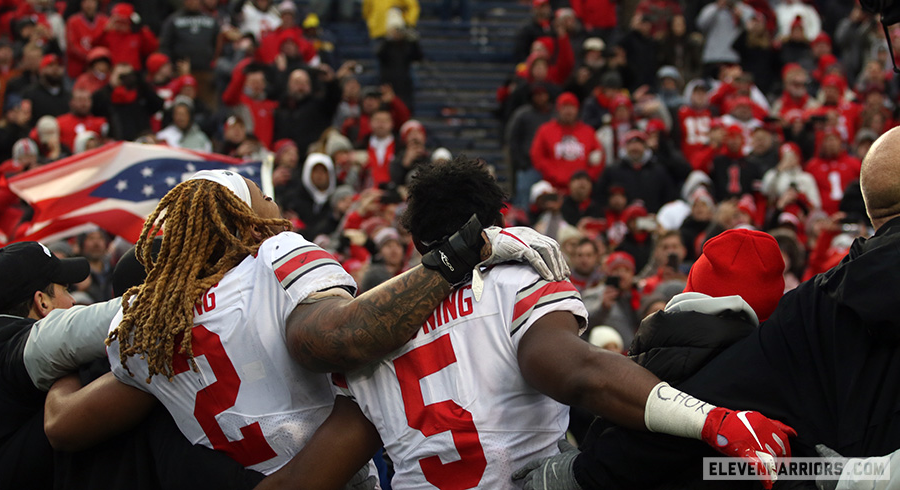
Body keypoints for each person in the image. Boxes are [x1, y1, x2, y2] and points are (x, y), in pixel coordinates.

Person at [255, 158, 796, 490]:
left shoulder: (379, 326)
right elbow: (574, 371)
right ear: (496, 222)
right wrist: (713, 420)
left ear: (418, 243)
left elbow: (309, 477)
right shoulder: (516, 277)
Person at [43, 169, 569, 475]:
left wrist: (45, 356)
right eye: (265, 196)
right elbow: (338, 340)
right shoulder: (274, 256)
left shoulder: (146, 326)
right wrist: (456, 258)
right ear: (243, 219)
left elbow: (63, 427)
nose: (279, 208)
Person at [534, 125, 900, 488]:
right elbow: (791, 469)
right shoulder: (795, 343)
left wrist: (580, 473)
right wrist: (847, 475)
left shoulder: (651, 362)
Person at [0, 241, 123, 489]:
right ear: (42, 302)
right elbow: (66, 336)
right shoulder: (6, 346)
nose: (73, 300)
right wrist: (174, 299)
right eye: (64, 289)